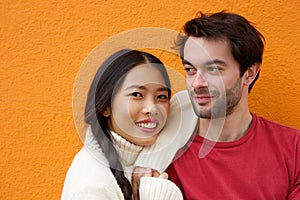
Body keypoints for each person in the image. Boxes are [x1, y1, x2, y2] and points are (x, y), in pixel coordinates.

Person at [133, 11, 300, 199]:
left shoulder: (293, 148)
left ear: (249, 73)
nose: (197, 83)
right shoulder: (161, 161)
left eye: (213, 69)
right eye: (190, 69)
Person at [61, 49, 183, 200]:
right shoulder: (92, 185)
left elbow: (187, 104)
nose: (152, 108)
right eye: (137, 95)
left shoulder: (145, 162)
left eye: (161, 96)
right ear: (106, 107)